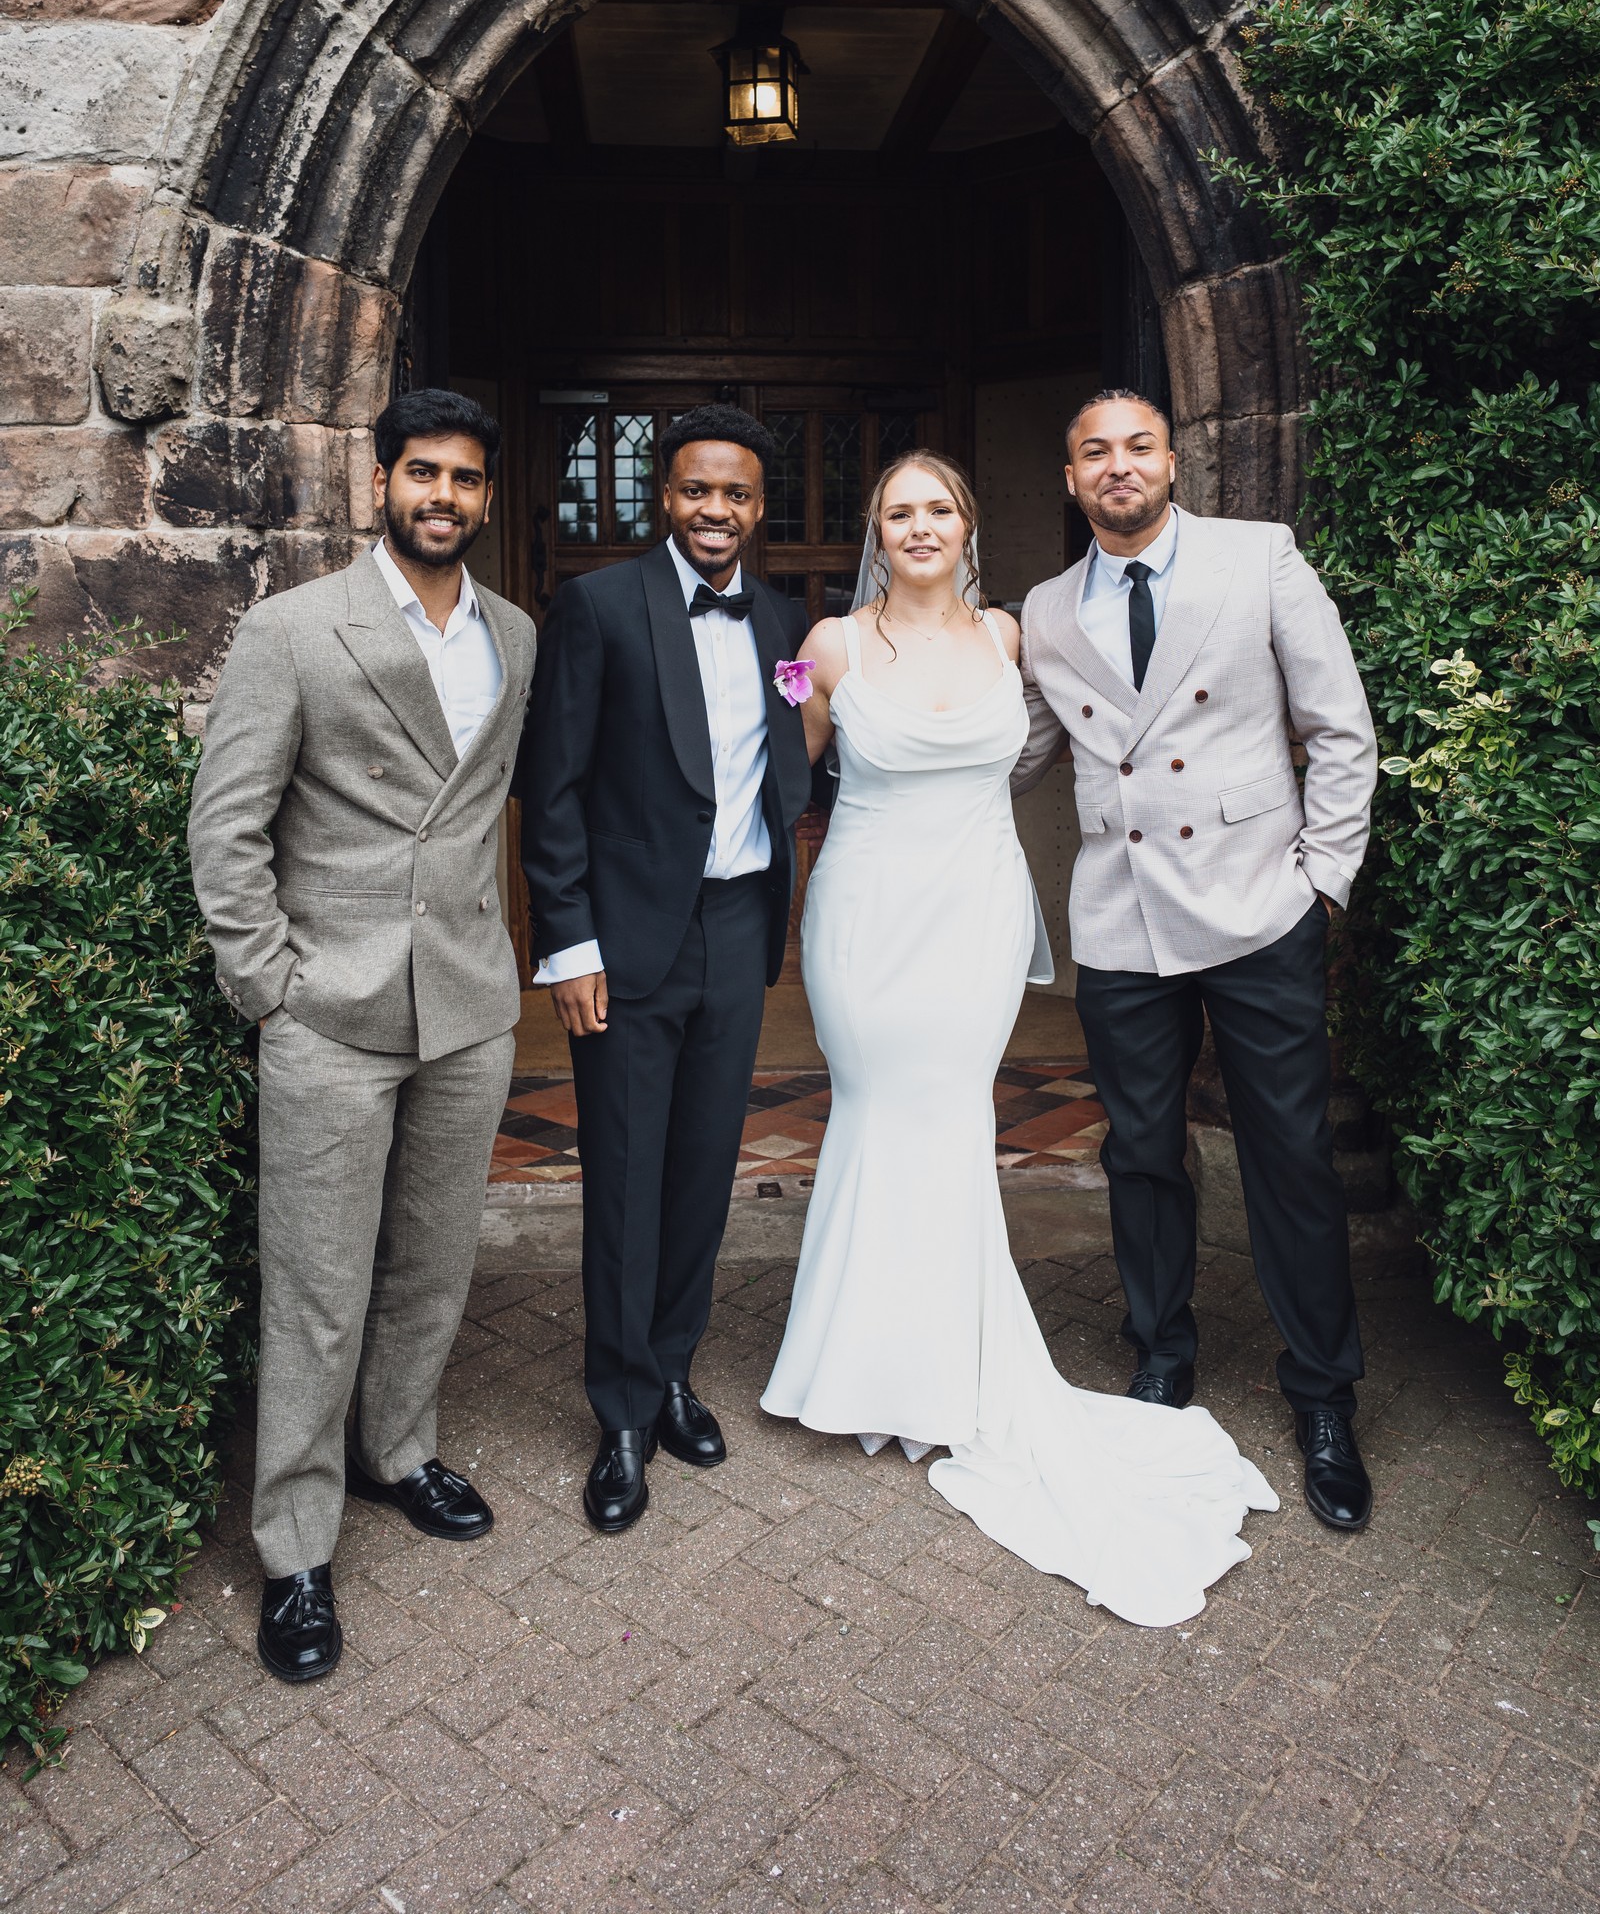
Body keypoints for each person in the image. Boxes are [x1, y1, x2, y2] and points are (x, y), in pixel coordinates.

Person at [762, 452, 1278, 1627]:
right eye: (898, 512)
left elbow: (1103, 732)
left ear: (968, 525)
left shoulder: (1009, 637)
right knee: (877, 1110)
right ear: (876, 533)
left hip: (978, 914)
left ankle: (944, 1363)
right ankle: (861, 1365)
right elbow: (785, 777)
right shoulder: (827, 648)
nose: (919, 526)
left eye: (937, 508)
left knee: (950, 1120)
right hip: (866, 911)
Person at [188, 389, 536, 1684]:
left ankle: (397, 1452)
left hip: (467, 1006)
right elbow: (226, 824)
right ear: (380, 481)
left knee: (432, 1263)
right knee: (318, 1288)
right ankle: (294, 1544)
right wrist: (269, 984)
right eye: (421, 472)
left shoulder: (515, 634)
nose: (443, 496)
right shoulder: (292, 629)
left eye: (465, 477)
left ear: (487, 496)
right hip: (329, 1009)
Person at [1012, 390, 1379, 1531]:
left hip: (1258, 906)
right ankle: (1161, 1354)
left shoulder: (1258, 557)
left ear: (1172, 463)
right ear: (1071, 479)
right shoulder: (1043, 609)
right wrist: (893, 721)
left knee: (1289, 1157)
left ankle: (1323, 1396)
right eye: (1094, 452)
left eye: (1138, 447)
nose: (1117, 466)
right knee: (1140, 1152)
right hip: (1123, 921)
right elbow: (1018, 752)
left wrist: (1321, 881)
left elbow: (1340, 728)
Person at [518, 405, 813, 1534]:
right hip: (628, 937)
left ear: (758, 507)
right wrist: (568, 942)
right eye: (696, 490)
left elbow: (787, 759)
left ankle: (675, 1369)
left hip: (738, 926)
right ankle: (623, 1414)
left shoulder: (782, 618)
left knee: (702, 1167)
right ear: (664, 496)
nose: (714, 511)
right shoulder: (598, 606)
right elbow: (552, 790)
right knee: (625, 1175)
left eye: (735, 494)